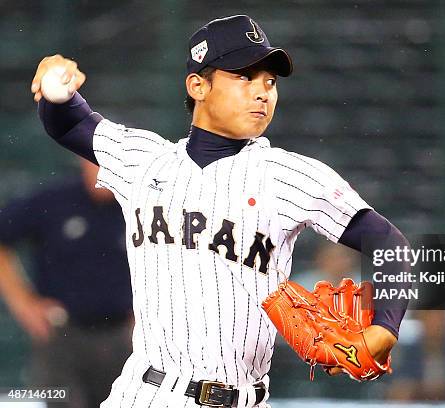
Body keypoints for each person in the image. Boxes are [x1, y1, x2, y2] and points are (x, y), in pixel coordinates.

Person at [30, 15, 410, 407]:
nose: (262, 92)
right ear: (198, 85)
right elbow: (69, 122)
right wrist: (55, 81)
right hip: (147, 394)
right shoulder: (145, 160)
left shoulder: (290, 175)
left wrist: (385, 328)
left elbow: (388, 241)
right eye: (244, 77)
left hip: (245, 398)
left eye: (270, 81)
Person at [0, 158, 133, 408]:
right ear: (83, 161)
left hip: (121, 337)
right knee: (61, 401)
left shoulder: (138, 206)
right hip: (61, 335)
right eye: (98, 161)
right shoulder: (53, 200)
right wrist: (23, 304)